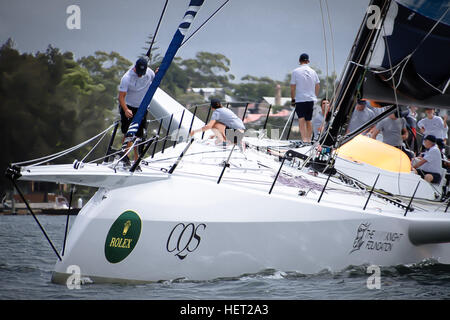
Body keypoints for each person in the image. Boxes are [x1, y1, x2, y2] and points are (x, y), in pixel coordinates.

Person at [118, 57, 156, 162]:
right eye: (139, 72)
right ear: (135, 68)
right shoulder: (127, 78)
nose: (140, 74)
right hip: (128, 106)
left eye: (142, 72)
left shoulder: (150, 73)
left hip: (142, 107)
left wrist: (157, 74)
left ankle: (136, 159)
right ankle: (124, 157)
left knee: (139, 135)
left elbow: (155, 80)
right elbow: (121, 97)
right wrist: (125, 109)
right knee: (128, 133)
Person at [290, 53, 320, 143]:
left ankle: (304, 139)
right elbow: (317, 85)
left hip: (300, 99)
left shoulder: (295, 71)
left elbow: (292, 87)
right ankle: (309, 139)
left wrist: (292, 99)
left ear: (300, 61)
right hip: (310, 99)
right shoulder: (313, 72)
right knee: (308, 120)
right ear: (308, 61)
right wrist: (315, 96)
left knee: (301, 119)